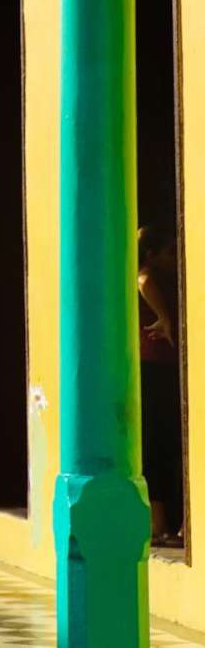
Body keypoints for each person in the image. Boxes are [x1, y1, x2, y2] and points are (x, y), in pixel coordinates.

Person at [139, 226, 184, 545]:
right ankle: (158, 525)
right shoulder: (148, 279)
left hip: (161, 370)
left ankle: (161, 524)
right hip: (154, 370)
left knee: (163, 444)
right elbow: (144, 280)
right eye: (168, 252)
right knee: (159, 443)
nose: (174, 257)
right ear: (151, 256)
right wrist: (165, 318)